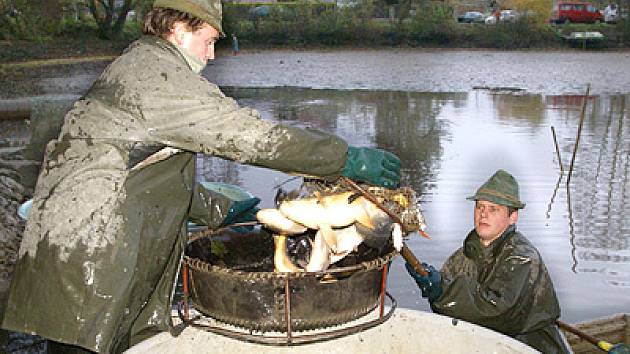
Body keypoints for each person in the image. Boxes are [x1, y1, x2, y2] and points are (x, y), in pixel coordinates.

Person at [0, 1, 400, 353]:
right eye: (208, 41)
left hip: (75, 239)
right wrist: (344, 158)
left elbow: (136, 163)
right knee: (84, 343)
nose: (211, 55)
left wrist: (218, 207)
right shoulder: (160, 78)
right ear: (177, 29)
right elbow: (253, 137)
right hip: (90, 256)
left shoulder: (138, 65)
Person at [405, 170, 571, 353]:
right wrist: (433, 289)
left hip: (530, 345)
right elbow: (448, 314)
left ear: (512, 217)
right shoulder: (461, 257)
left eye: (493, 209)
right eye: (480, 207)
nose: (483, 214)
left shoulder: (522, 258)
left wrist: (444, 290)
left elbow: (498, 311)